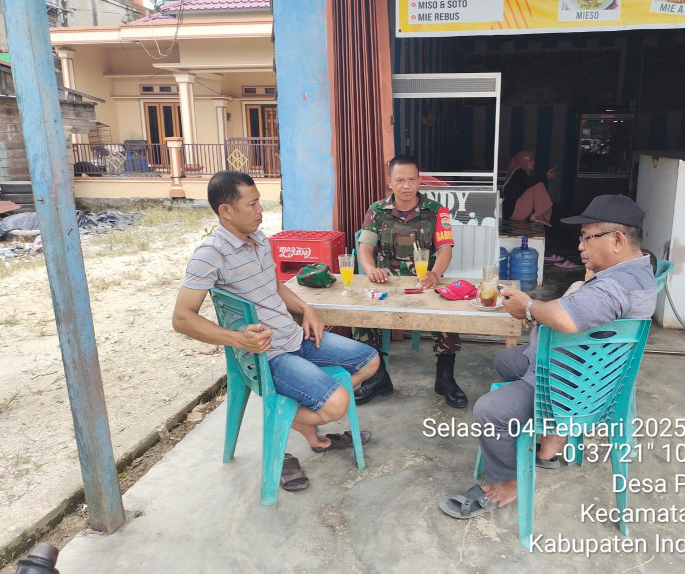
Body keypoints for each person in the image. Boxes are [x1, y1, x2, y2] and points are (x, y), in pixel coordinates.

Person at [439, 194, 657, 518]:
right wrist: (542, 314)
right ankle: (550, 439)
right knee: (503, 361)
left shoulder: (617, 286)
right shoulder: (637, 271)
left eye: (586, 238)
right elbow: (577, 308)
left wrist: (528, 307)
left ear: (617, 239)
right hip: (579, 368)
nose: (580, 246)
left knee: (489, 410)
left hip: (566, 384)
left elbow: (568, 318)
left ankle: (509, 482)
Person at [172, 171, 380, 491]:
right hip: (269, 353)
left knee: (370, 360)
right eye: (252, 204)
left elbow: (275, 286)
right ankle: (287, 421)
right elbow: (182, 318)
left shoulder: (259, 240)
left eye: (260, 202)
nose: (260, 210)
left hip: (295, 336)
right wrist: (236, 339)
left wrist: (305, 309)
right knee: (336, 405)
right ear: (225, 210)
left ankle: (294, 416)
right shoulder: (209, 254)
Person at [354, 154, 468, 409]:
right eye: (400, 180)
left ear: (419, 181)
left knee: (446, 310)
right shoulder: (376, 211)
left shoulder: (437, 211)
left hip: (424, 278)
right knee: (362, 311)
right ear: (389, 182)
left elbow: (446, 249)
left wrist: (435, 274)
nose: (406, 185)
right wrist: (371, 270)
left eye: (412, 180)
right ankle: (377, 377)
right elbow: (365, 249)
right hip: (387, 279)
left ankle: (445, 377)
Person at [501, 150, 556, 225]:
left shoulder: (518, 174)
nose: (533, 162)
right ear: (522, 161)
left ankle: (534, 215)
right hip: (514, 211)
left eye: (533, 160)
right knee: (538, 186)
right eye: (530, 160)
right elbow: (529, 182)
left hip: (512, 212)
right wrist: (546, 176)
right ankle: (540, 215)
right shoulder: (519, 172)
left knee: (534, 187)